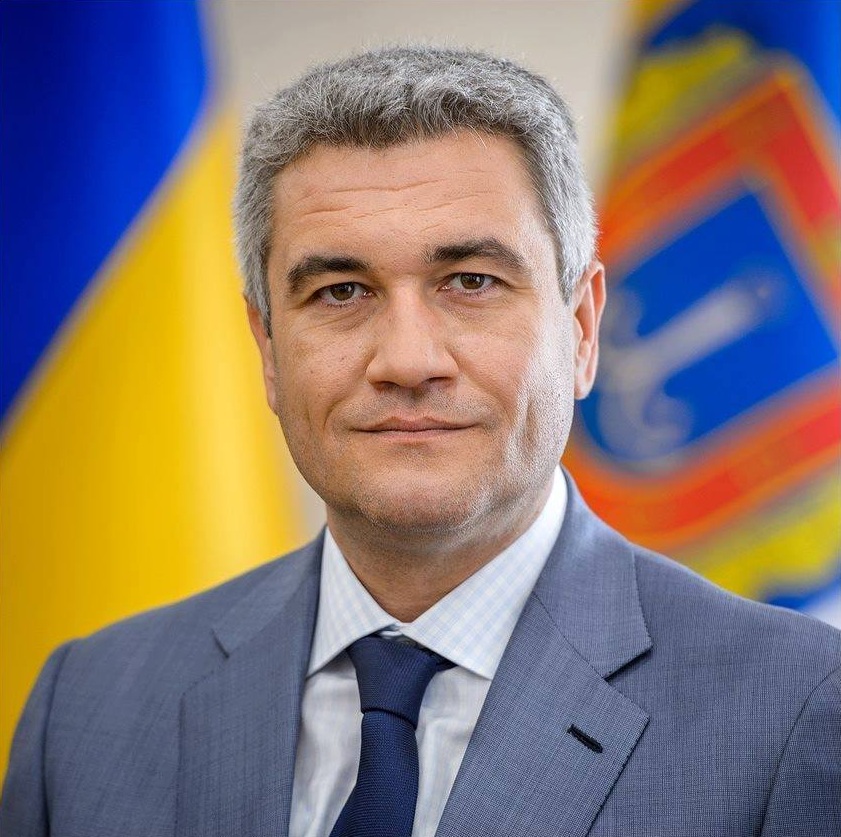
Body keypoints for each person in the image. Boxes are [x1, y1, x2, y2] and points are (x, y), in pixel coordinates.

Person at [2, 45, 839, 837]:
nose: (406, 360)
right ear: (268, 350)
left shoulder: (795, 707)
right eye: (340, 291)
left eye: (470, 282)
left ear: (582, 330)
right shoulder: (87, 708)